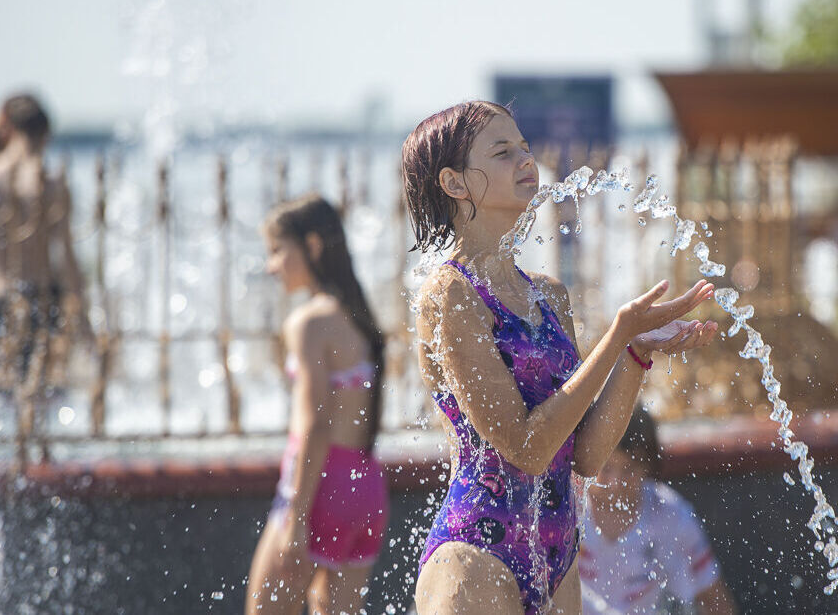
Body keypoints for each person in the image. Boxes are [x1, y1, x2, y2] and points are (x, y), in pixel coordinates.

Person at [404, 101, 720, 615]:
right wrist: (616, 335)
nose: (525, 159)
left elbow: (586, 456)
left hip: (558, 554)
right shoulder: (450, 293)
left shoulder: (549, 296)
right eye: (503, 152)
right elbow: (525, 448)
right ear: (456, 184)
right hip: (478, 556)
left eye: (525, 147)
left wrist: (634, 352)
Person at [246, 194, 390, 614]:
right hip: (365, 489)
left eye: (277, 251)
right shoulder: (359, 320)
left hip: (319, 488)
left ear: (311, 246)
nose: (272, 266)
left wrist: (296, 515)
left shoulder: (309, 322)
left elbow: (315, 424)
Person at [0, 93, 89, 389]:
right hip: (44, 298)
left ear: (6, 127)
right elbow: (68, 257)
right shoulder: (52, 183)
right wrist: (84, 316)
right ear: (45, 134)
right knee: (42, 396)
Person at [580, 406, 737, 615]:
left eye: (629, 469)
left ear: (648, 466)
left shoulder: (672, 516)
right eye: (605, 468)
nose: (615, 483)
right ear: (585, 458)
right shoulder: (567, 511)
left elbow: (716, 603)